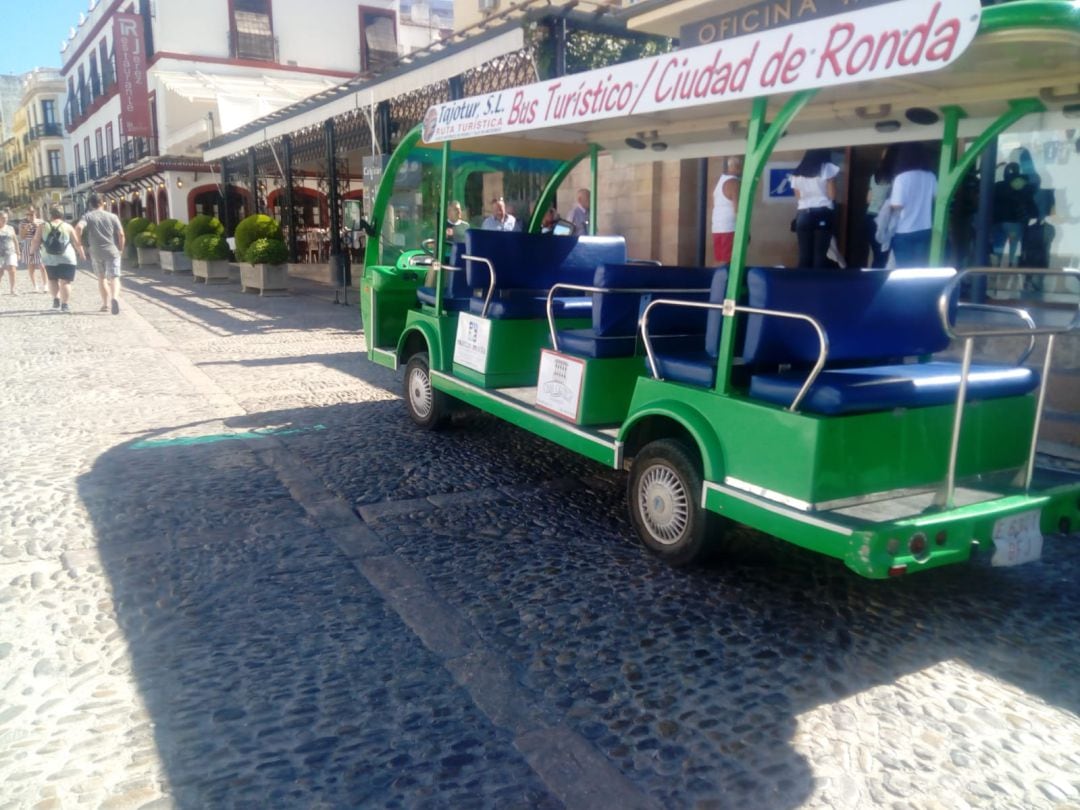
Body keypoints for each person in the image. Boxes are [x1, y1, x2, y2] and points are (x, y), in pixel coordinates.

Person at [888, 142, 937, 268]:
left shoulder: (901, 178)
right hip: (925, 228)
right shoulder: (930, 176)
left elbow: (897, 205)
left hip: (904, 231)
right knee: (920, 270)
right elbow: (935, 198)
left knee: (904, 272)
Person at [76, 192, 126, 314]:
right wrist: (121, 249)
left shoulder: (88, 216)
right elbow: (121, 234)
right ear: (102, 203)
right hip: (111, 250)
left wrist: (79, 244)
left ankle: (105, 304)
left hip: (96, 251)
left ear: (91, 204)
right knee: (115, 277)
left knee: (101, 278)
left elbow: (78, 228)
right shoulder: (112, 216)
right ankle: (114, 298)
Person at [790, 149, 840, 269]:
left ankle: (801, 285)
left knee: (804, 255)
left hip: (803, 214)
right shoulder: (827, 168)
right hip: (822, 212)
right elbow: (832, 194)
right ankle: (817, 285)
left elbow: (798, 197)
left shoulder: (797, 173)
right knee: (820, 255)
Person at [30, 206, 86, 314]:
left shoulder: (42, 226)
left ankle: (56, 299)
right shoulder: (68, 226)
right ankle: (64, 305)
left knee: (52, 279)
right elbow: (77, 243)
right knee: (65, 281)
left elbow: (35, 241)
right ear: (62, 215)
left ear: (50, 215)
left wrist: (31, 253)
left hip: (49, 257)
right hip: (67, 257)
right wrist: (82, 254)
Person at [990, 162, 1035, 268]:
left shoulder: (998, 186)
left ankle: (996, 264)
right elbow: (1028, 200)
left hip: (997, 221)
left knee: (998, 244)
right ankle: (1011, 264)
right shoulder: (1022, 185)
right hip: (1014, 221)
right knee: (1013, 244)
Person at [865, 146, 897, 268]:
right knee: (884, 257)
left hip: (870, 217)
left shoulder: (874, 177)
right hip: (884, 219)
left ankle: (872, 283)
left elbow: (868, 199)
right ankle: (878, 284)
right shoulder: (896, 178)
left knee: (877, 255)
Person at [711, 156, 742, 266]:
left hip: (717, 226)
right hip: (729, 227)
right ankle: (726, 282)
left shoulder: (720, 181)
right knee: (729, 261)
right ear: (738, 167)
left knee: (719, 259)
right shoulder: (734, 183)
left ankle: (717, 281)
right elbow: (738, 209)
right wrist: (744, 230)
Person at [18, 205, 46, 293]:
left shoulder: (41, 221)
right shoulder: (23, 223)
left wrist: (37, 226)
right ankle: (35, 286)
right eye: (28, 214)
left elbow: (44, 234)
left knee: (42, 265)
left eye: (32, 213)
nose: (30, 215)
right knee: (31, 266)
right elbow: (22, 237)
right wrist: (25, 229)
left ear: (35, 212)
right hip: (28, 244)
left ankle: (45, 285)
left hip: (39, 244)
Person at [0, 211, 17, 294]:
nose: (5, 219)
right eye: (3, 218)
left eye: (6, 218)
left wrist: (18, 252)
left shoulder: (10, 228)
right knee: (0, 271)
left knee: (12, 270)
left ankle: (12, 289)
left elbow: (15, 240)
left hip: (10, 251)